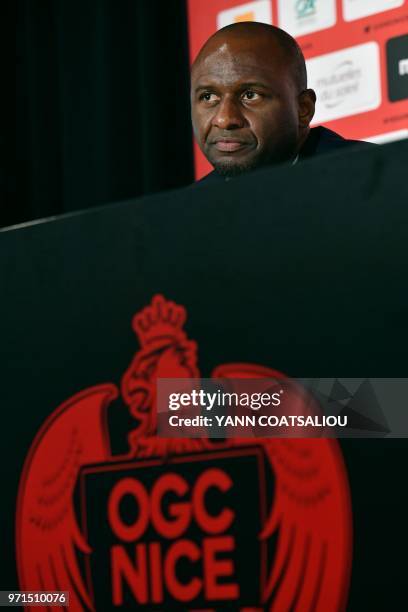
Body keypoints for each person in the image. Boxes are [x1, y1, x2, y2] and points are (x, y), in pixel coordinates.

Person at [191, 22, 374, 182]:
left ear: (304, 109)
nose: (224, 119)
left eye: (250, 95)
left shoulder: (376, 175)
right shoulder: (186, 211)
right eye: (208, 97)